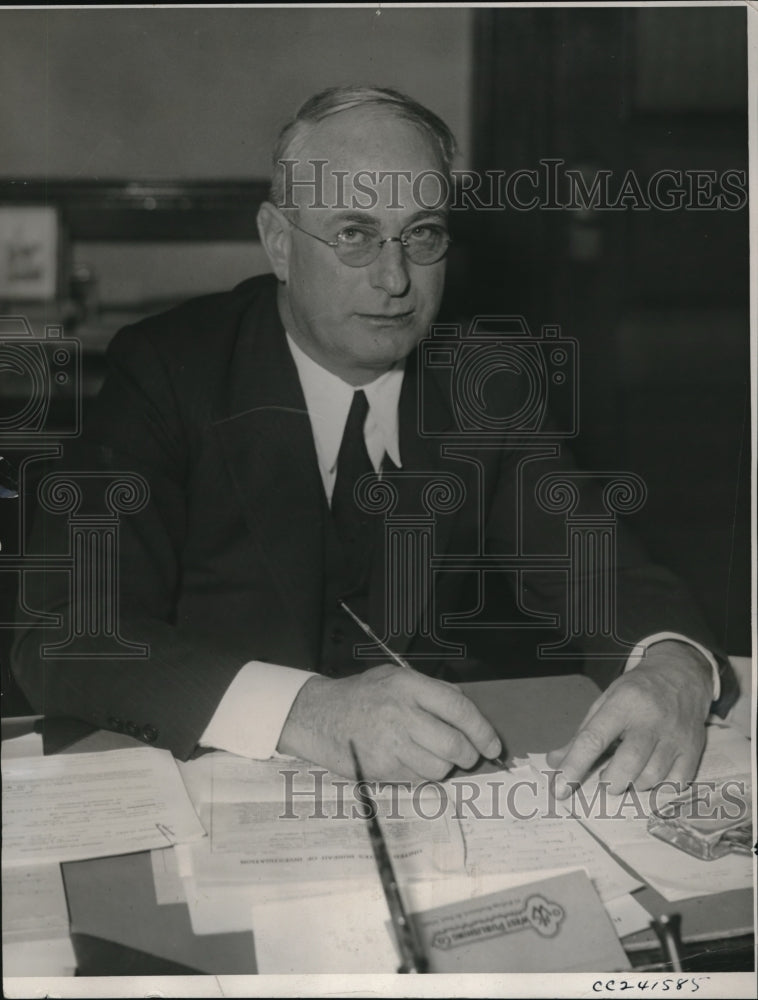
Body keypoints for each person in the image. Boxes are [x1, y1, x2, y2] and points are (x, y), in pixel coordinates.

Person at [11, 86, 732, 793]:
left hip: (418, 792)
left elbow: (605, 574)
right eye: (354, 234)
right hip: (206, 782)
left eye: (421, 234)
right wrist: (308, 709)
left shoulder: (485, 385)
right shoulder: (169, 370)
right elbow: (68, 632)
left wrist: (672, 662)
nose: (395, 279)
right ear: (278, 242)